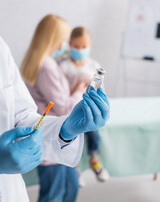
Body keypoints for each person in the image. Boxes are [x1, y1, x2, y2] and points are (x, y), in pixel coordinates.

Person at [0, 35, 110, 202]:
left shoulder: (1, 48)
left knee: (68, 189)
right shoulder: (48, 66)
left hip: (10, 192)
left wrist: (65, 130)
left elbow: (19, 116)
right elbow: (61, 103)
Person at [20, 15, 88, 202]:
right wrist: (81, 90)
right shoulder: (47, 67)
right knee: (56, 194)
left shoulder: (38, 61)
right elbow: (64, 107)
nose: (64, 44)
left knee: (68, 188)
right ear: (52, 38)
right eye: (63, 38)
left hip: (50, 139)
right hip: (52, 141)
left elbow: (55, 100)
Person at [59, 27, 109, 182]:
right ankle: (75, 167)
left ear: (90, 46)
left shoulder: (94, 65)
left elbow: (102, 90)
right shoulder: (63, 66)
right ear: (70, 45)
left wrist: (93, 86)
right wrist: (77, 84)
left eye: (84, 47)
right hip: (69, 109)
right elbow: (60, 95)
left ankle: (94, 158)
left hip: (89, 106)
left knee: (93, 129)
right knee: (73, 133)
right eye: (76, 46)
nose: (80, 50)